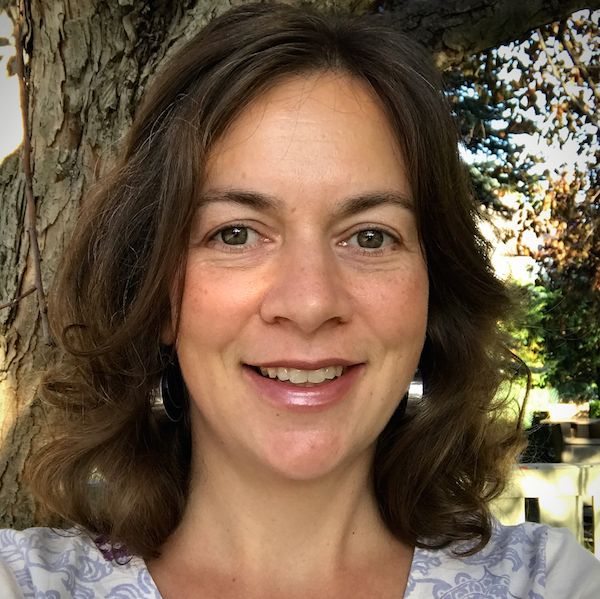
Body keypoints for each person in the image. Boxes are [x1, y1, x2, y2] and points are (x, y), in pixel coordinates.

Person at [1, 3, 599, 597]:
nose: (310, 302)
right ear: (156, 293)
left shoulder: (551, 584)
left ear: (432, 293)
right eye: (235, 233)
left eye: (370, 236)